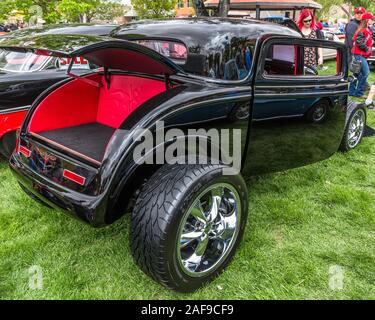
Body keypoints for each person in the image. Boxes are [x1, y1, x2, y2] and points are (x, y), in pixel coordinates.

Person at [349, 12, 374, 97]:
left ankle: (352, 92)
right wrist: (367, 49)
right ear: (367, 20)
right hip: (359, 55)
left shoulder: (367, 29)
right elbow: (359, 42)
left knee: (356, 74)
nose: (372, 20)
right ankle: (359, 92)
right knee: (366, 73)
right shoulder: (362, 30)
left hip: (360, 55)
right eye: (371, 19)